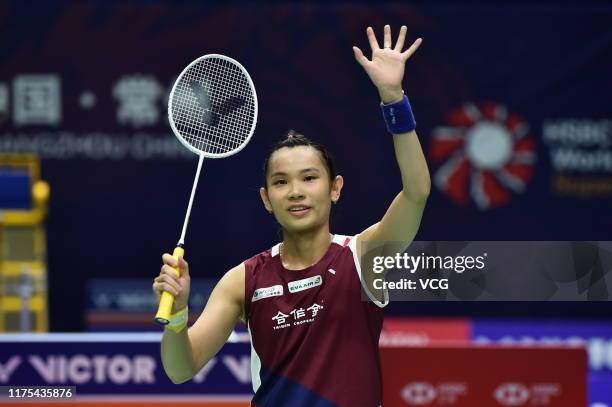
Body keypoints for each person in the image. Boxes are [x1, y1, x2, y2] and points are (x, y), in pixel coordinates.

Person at [152, 24, 430, 407]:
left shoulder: (364, 257)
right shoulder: (244, 280)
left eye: (309, 178)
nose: (296, 191)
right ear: (267, 198)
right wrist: (179, 315)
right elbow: (180, 369)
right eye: (281, 182)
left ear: (335, 188)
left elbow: (417, 193)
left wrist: (393, 98)